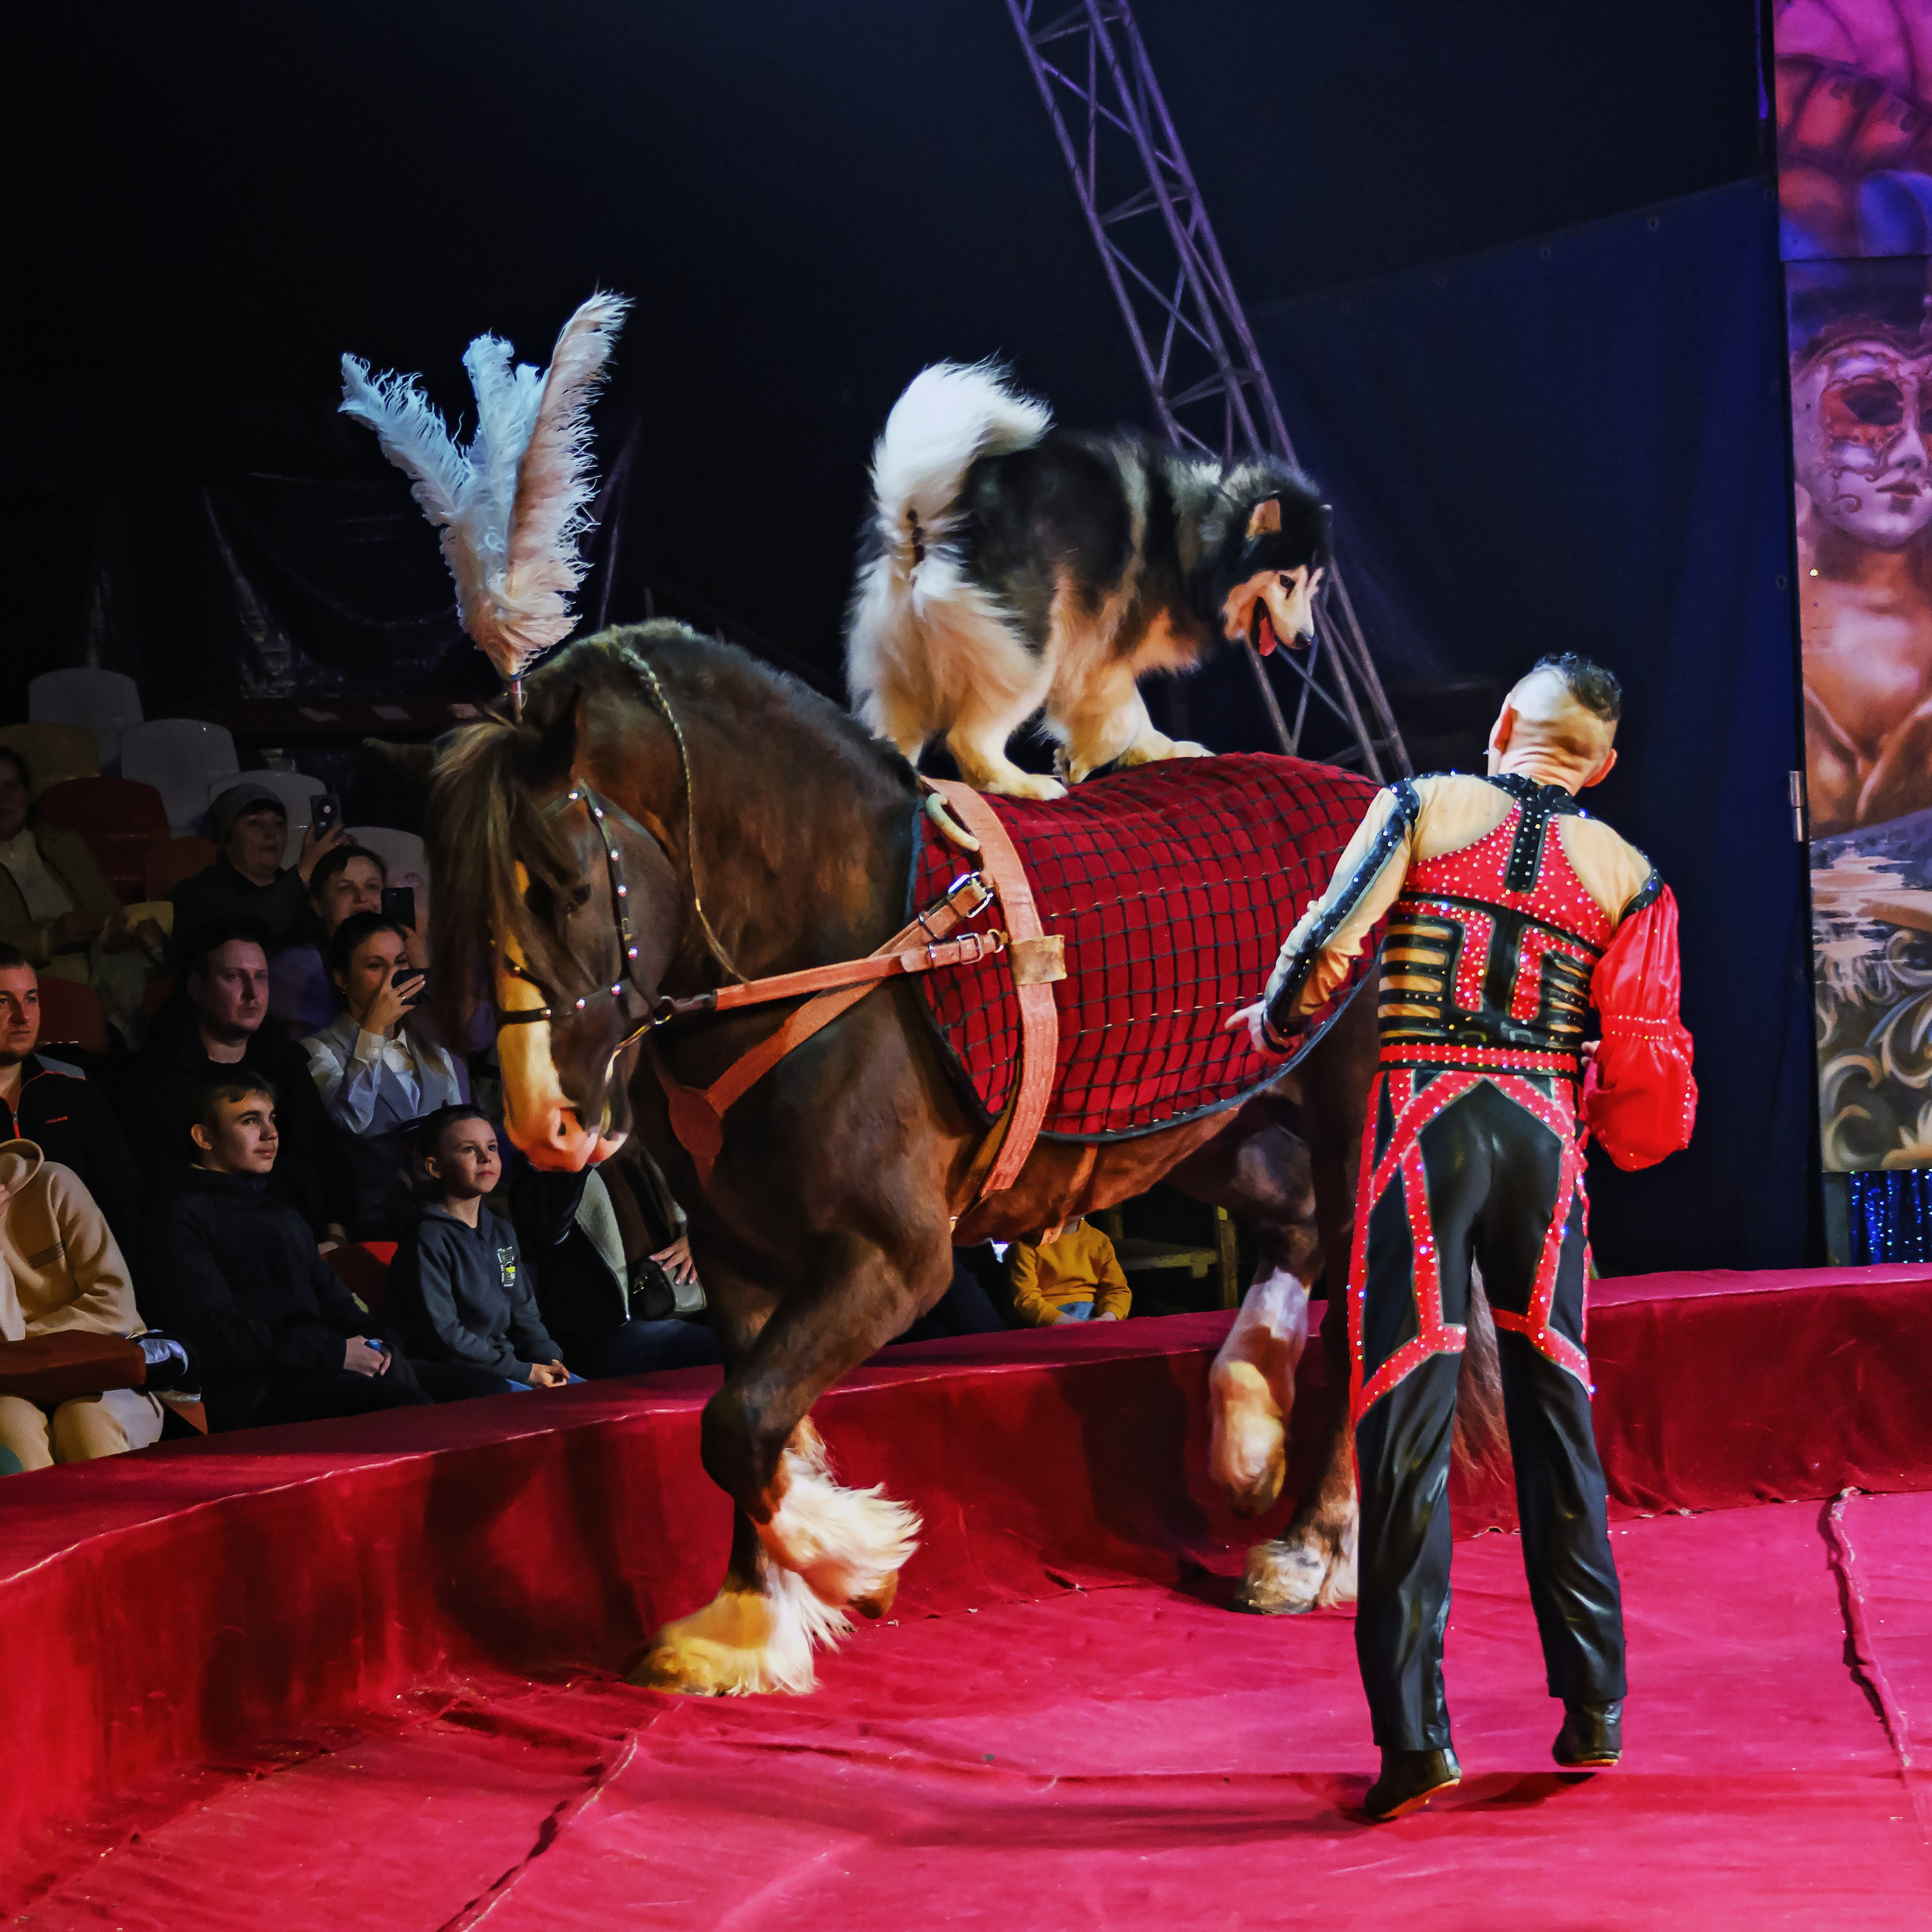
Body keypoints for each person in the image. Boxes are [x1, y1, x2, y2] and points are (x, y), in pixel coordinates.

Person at [1230, 654, 1696, 1823]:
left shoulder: (1423, 806)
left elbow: (1323, 941)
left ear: (1504, 726)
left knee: (1401, 1428)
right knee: (1558, 1418)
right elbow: (1647, 1081)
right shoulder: (1631, 876)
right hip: (1545, 1141)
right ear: (1603, 765)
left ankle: (1416, 1742)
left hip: (1423, 1129)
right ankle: (1594, 1711)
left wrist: (1276, 1014)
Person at [163, 1073, 429, 1430]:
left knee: (477, 1390)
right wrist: (335, 1353)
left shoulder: (282, 1212)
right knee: (413, 1409)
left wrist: (382, 1345)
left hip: (321, 1362)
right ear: (204, 1137)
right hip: (259, 1390)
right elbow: (219, 1336)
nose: (271, 1132)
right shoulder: (182, 1214)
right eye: (249, 1120)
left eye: (271, 1118)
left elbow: (338, 1303)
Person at [121, 924, 354, 1244]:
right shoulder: (155, 1080)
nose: (252, 993)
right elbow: (159, 1188)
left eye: (261, 977)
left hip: (310, 1240)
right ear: (196, 986)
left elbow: (325, 1153)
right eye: (233, 977)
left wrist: (335, 1233)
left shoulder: (284, 1063)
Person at [0, 1137, 167, 1469]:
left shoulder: (52, 1184)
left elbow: (114, 1306)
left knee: (85, 1422)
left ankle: (114, 1522)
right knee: (10, 1428)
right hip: (10, 1387)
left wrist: (29, 1348)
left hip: (102, 1368)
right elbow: (6, 1341)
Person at [390, 1106, 576, 1397]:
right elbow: (446, 1335)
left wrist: (548, 1358)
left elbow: (524, 1313)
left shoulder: (501, 1232)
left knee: (588, 1400)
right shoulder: (427, 1237)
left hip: (513, 1366)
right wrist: (523, 1371)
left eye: (491, 1147)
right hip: (466, 1376)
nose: (485, 1157)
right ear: (434, 1167)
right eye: (468, 1149)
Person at [303, 911, 464, 1235]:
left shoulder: (435, 1053)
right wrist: (375, 1028)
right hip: (372, 1224)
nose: (394, 977)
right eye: (376, 966)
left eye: (401, 962)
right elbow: (352, 1118)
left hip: (443, 1221)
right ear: (341, 977)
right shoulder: (318, 1049)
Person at [0, 745, 164, 1042]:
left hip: (103, 970)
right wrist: (50, 938)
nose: (3, 799)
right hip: (31, 986)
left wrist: (117, 933)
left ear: (27, 793)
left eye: (12, 787)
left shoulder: (63, 844)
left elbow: (108, 911)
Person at [509, 1158, 721, 1380]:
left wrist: (697, 1238)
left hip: (683, 1305)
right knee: (722, 1349)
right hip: (602, 1333)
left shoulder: (648, 1150)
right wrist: (579, 1156)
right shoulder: (550, 1167)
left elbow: (710, 1213)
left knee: (749, 1337)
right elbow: (545, 1229)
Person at [0, 943, 145, 1266]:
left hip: (81, 1267)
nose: (23, 1016)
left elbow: (123, 1198)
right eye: (2, 1002)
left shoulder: (72, 1084)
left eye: (31, 999)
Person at [169, 780, 345, 959]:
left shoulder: (304, 893)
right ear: (226, 840)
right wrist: (303, 873)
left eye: (278, 823)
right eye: (254, 822)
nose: (270, 832)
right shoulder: (196, 892)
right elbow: (241, 933)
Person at [268, 841, 392, 1038]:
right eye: (345, 888)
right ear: (317, 905)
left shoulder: (401, 955)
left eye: (372, 886)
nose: (362, 898)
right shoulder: (298, 967)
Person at [1006, 1216, 1131, 1326]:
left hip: (1096, 1315)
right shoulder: (1027, 1242)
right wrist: (1067, 1323)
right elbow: (1025, 1297)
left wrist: (1107, 1318)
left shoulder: (1099, 1241)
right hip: (1051, 1320)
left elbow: (1117, 1289)